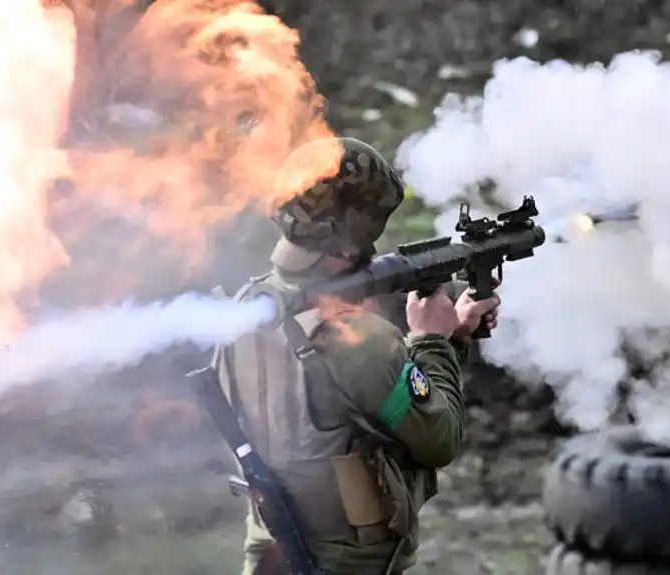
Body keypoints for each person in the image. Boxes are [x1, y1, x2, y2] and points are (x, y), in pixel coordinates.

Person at [209, 137, 500, 574]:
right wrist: (432, 340)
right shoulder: (356, 339)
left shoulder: (244, 308)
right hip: (346, 562)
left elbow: (332, 399)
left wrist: (450, 333)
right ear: (359, 226)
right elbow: (439, 438)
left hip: (272, 554)